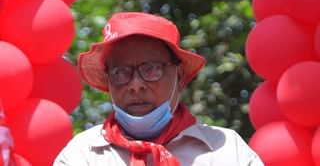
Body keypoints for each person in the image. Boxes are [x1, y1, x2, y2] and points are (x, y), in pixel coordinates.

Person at [54, 12, 264, 166]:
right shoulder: (81, 156)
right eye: (120, 72)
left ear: (179, 77)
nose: (136, 85)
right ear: (108, 81)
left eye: (151, 69)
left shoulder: (226, 151)